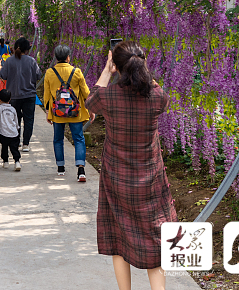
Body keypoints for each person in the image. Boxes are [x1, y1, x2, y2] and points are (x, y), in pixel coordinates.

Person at [87, 42, 175, 290]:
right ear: (142, 64)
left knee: (118, 239)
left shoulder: (108, 96)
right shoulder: (157, 97)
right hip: (150, 182)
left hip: (117, 179)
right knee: (155, 241)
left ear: (117, 66)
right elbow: (156, 89)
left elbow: (90, 102)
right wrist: (142, 68)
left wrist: (107, 70)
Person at [42, 44, 91, 181]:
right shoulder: (77, 72)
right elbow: (86, 92)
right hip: (75, 112)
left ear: (56, 58)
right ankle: (81, 169)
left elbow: (47, 95)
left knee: (58, 139)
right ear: (68, 57)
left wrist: (48, 112)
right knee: (79, 139)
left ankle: (61, 168)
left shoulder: (50, 72)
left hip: (58, 112)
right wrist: (91, 107)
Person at [0, 37, 41, 153]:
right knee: (29, 120)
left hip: (14, 96)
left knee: (14, 120)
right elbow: (38, 75)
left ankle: (16, 142)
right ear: (27, 49)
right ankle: (26, 143)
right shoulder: (32, 61)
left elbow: (3, 75)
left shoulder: (9, 61)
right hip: (29, 96)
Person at [0, 89, 21, 170]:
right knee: (14, 148)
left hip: (3, 132)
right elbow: (16, 120)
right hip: (14, 132)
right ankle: (17, 162)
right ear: (10, 99)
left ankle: (5, 161)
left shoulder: (0, 108)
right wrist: (17, 128)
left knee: (4, 147)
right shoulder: (13, 109)